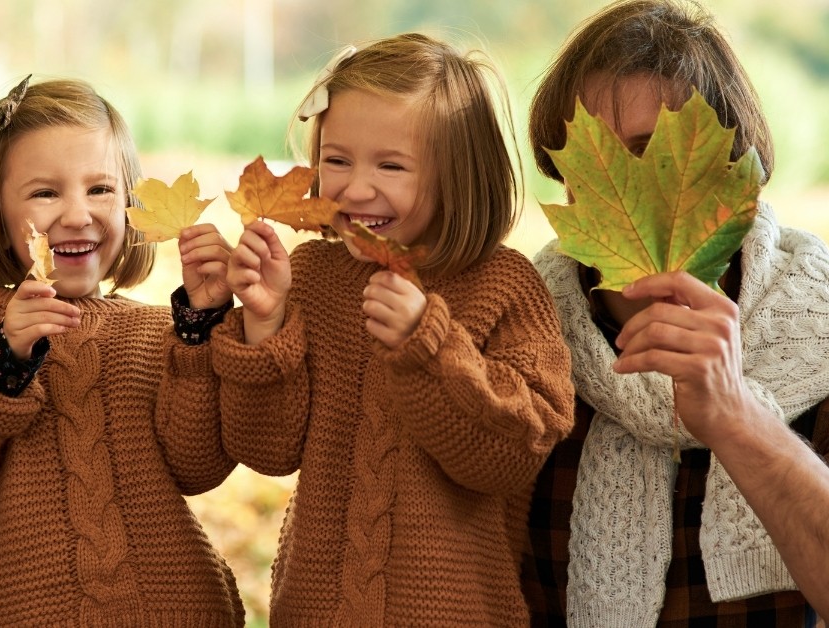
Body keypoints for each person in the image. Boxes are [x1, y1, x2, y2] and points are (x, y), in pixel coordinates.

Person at [211, 33, 575, 625]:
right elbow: (268, 450)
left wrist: (429, 346)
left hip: (455, 613)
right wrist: (265, 323)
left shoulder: (503, 286)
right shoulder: (310, 276)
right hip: (316, 611)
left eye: (391, 165)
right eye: (337, 160)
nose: (356, 188)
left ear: (459, 173)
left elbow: (516, 452)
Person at [522, 1, 829, 626]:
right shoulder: (517, 341)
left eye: (656, 152)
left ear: (740, 181)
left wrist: (736, 416)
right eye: (596, 156)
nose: (626, 186)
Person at [0, 77, 245, 626]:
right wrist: (4, 359)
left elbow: (198, 465)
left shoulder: (155, 330)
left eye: (100, 189)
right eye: (45, 193)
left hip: (172, 607)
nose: (77, 214)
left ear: (132, 203)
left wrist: (198, 328)